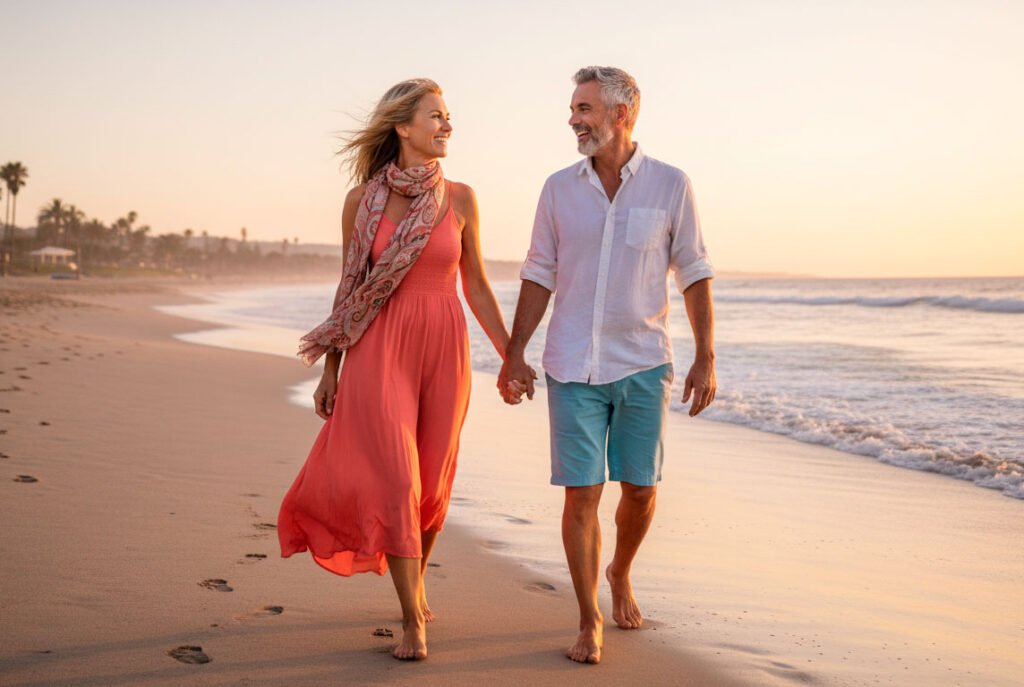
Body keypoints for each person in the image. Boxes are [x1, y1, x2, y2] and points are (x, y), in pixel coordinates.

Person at [278, 78, 519, 661]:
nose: (446, 126)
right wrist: (330, 369)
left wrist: (512, 355)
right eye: (435, 116)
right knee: (396, 478)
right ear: (402, 127)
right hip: (377, 348)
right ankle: (413, 619)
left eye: (448, 116)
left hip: (444, 347)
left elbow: (478, 286)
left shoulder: (459, 198)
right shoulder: (362, 202)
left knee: (432, 482)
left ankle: (414, 580)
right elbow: (351, 289)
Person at [499, 66, 717, 665]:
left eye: (585, 108)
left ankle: (620, 571)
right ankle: (588, 616)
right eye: (573, 109)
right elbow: (539, 272)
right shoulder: (557, 189)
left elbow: (694, 271)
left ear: (623, 113)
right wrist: (515, 352)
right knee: (581, 496)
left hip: (645, 362)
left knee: (641, 491)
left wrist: (706, 356)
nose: (574, 119)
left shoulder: (671, 185)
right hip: (571, 364)